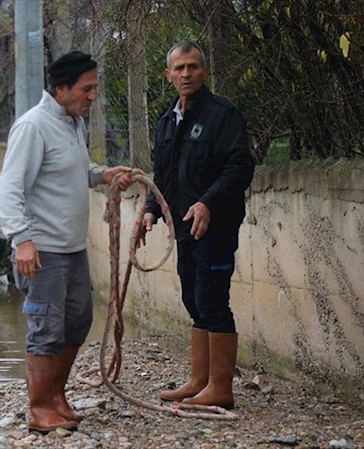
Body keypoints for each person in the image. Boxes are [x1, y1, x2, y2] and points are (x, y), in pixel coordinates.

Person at [0, 50, 135, 433]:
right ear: (61, 89)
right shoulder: (33, 127)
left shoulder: (72, 122)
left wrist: (102, 175)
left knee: (77, 321)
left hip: (72, 249)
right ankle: (40, 408)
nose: (93, 97)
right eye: (86, 89)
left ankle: (56, 396)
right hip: (42, 252)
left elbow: (67, 169)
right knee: (46, 327)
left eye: (94, 89)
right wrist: (22, 240)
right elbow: (9, 190)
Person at [139, 42, 254, 410]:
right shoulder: (166, 120)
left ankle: (221, 388)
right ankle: (198, 380)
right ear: (168, 75)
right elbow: (163, 176)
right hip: (184, 227)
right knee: (193, 298)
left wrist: (208, 202)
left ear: (204, 72)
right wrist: (150, 210)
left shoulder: (224, 115)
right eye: (179, 68)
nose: (186, 74)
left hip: (216, 225)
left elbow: (240, 168)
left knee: (213, 299)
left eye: (192, 67)